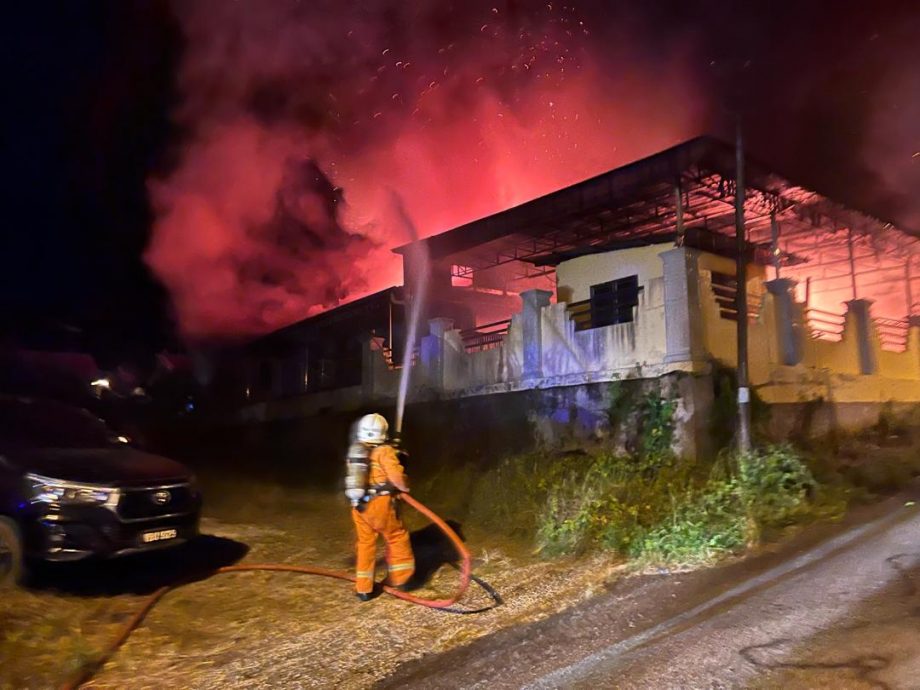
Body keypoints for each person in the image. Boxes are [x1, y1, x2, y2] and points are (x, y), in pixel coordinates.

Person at [349, 413, 415, 601]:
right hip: (379, 505)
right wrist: (404, 483)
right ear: (383, 433)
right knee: (396, 536)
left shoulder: (356, 450)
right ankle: (402, 580)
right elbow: (396, 479)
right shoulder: (384, 452)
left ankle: (363, 588)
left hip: (358, 506)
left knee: (365, 544)